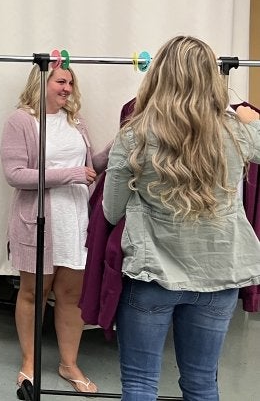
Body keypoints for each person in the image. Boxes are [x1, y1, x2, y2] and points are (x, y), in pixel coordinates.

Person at [103, 35, 260, 401]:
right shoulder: (238, 133)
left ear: (159, 75)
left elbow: (111, 211)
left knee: (141, 384)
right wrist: (252, 119)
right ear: (211, 78)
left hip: (152, 275)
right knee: (202, 384)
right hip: (218, 276)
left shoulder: (134, 136)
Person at [0, 65, 108, 394]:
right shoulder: (21, 121)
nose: (67, 89)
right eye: (61, 81)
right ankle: (29, 362)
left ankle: (68, 364)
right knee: (33, 294)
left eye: (71, 83)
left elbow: (89, 169)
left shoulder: (76, 121)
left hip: (76, 222)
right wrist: (70, 174)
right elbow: (15, 174)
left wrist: (118, 147)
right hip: (38, 224)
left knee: (71, 297)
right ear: (42, 82)